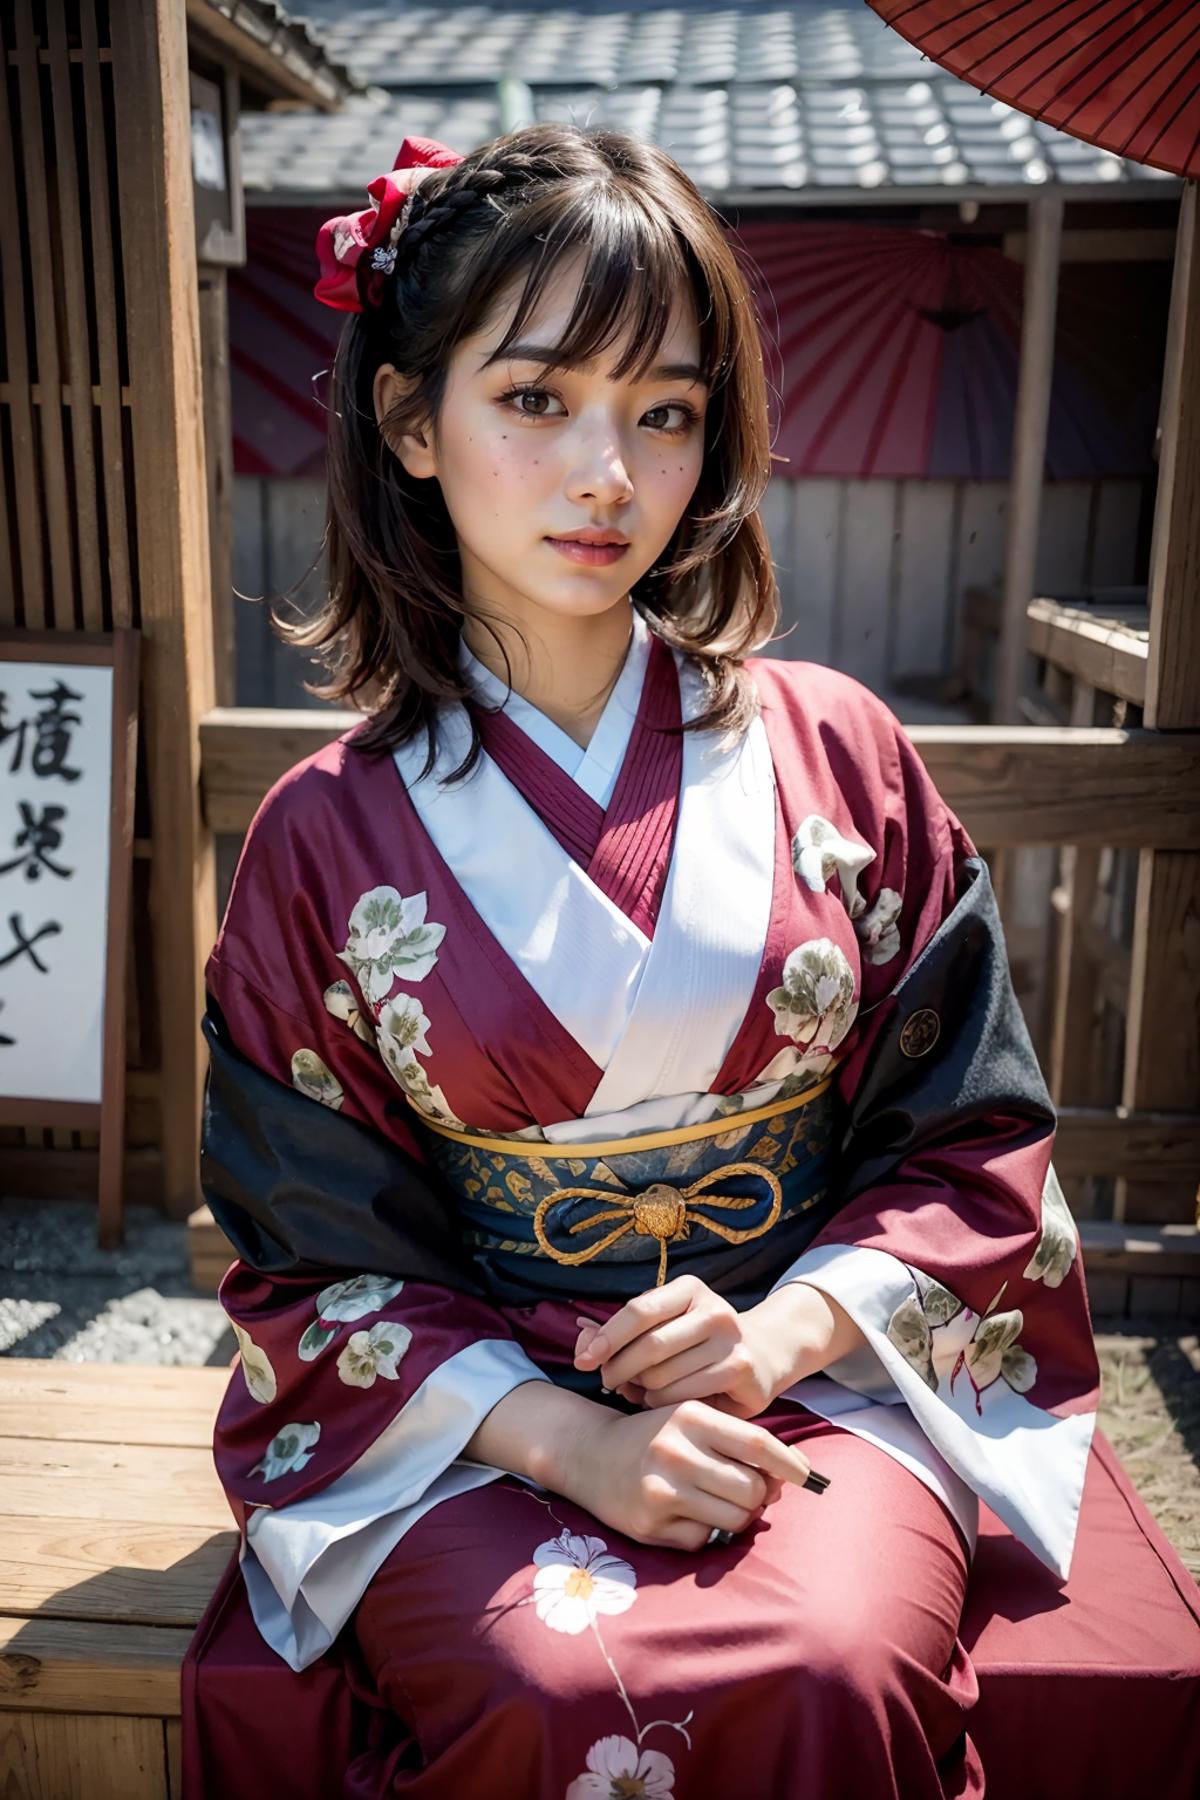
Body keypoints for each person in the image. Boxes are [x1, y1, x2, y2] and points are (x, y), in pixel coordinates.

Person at [195, 123, 1100, 1799]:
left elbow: (976, 1138)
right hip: (479, 1421)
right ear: (410, 420)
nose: (607, 471)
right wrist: (578, 1442)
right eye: (535, 399)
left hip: (815, 1378)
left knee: (831, 1662)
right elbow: (309, 1250)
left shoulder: (843, 753)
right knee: (554, 1686)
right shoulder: (324, 835)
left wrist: (777, 1338)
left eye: (666, 411)